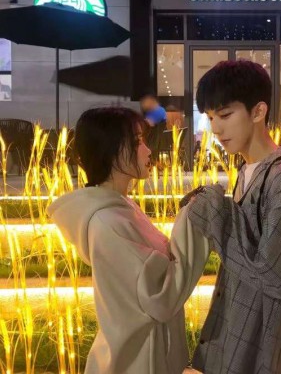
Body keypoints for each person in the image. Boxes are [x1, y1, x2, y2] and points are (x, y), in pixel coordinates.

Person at [187, 60, 281, 374]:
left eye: (225, 115)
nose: (216, 129)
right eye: (210, 118)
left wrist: (217, 214)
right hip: (241, 330)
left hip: (267, 346)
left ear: (258, 111)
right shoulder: (246, 170)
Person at [47, 107, 210, 374]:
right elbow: (162, 296)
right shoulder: (109, 223)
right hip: (137, 363)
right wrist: (194, 221)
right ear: (110, 151)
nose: (147, 150)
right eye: (136, 142)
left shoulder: (121, 208)